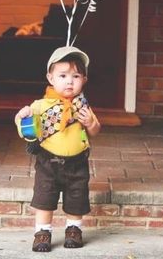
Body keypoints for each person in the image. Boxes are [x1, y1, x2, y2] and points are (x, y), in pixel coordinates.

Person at [15, 46, 101, 252]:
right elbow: (24, 126)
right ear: (51, 78)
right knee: (44, 199)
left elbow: (96, 131)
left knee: (76, 198)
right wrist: (22, 116)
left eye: (76, 76)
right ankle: (42, 233)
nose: (69, 81)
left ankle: (73, 230)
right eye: (63, 75)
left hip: (77, 162)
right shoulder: (41, 105)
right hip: (48, 163)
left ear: (84, 80)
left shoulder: (82, 107)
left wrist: (90, 123)